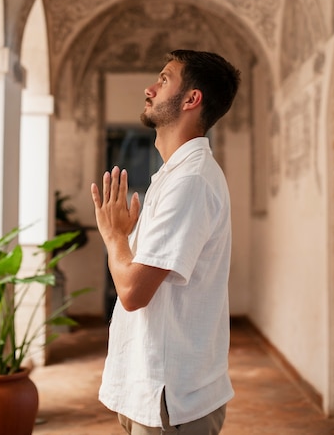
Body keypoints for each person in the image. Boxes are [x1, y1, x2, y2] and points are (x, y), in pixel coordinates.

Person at [91, 49, 241, 435]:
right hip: (155, 391)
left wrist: (114, 237)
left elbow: (133, 290)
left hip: (172, 398)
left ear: (191, 99)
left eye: (164, 79)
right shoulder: (173, 175)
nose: (150, 88)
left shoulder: (190, 180)